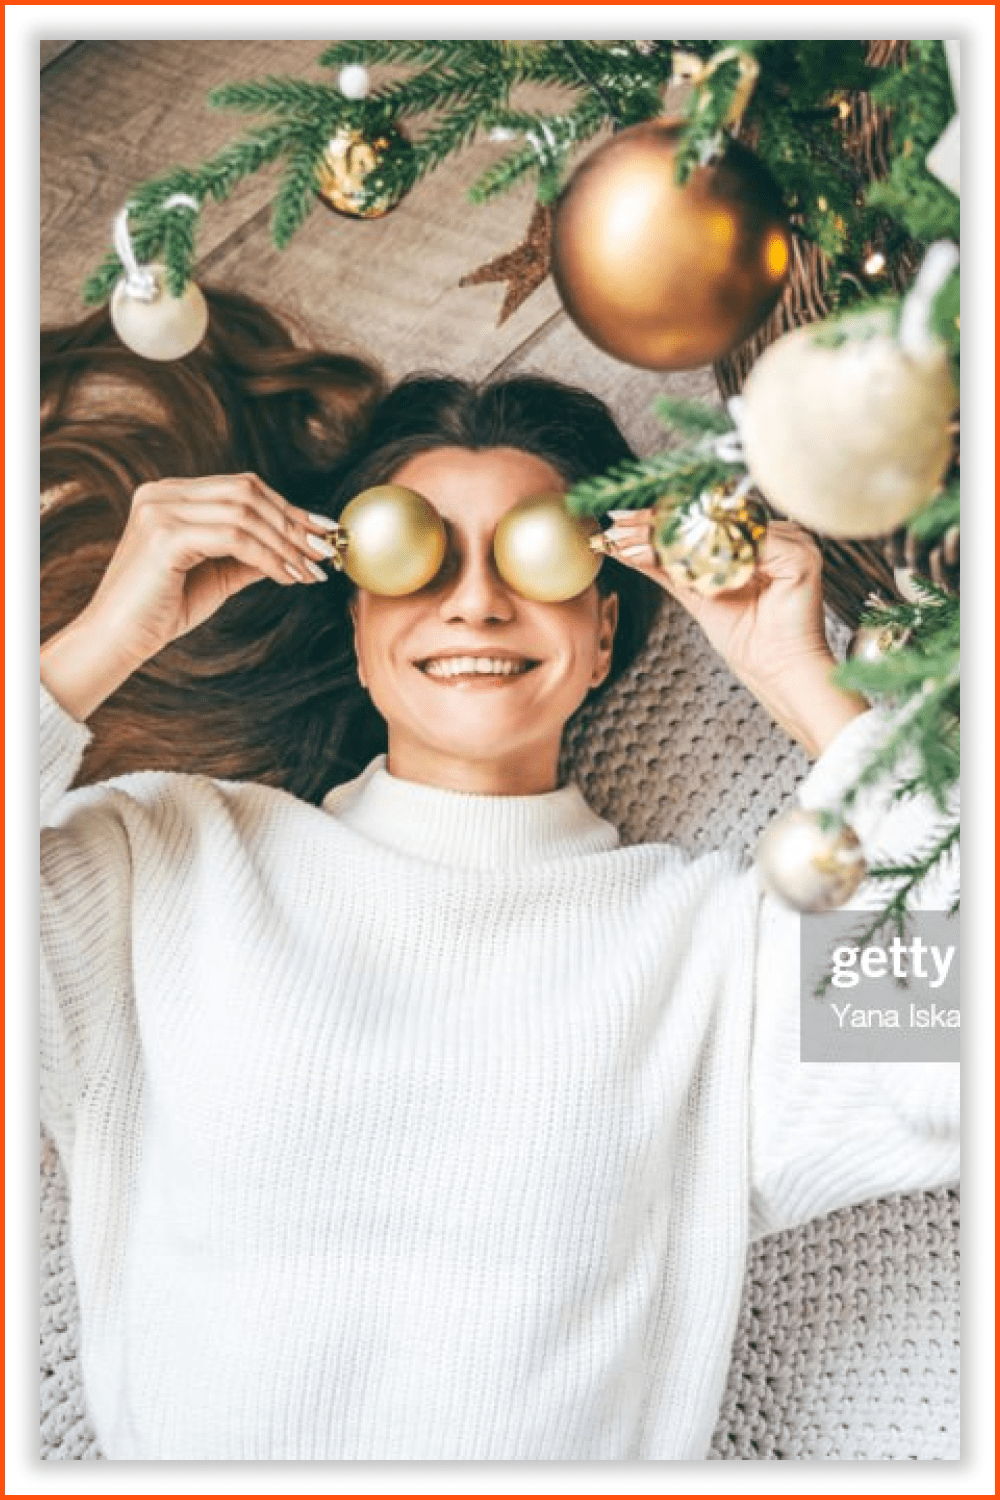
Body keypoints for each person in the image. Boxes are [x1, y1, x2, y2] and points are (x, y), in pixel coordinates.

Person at [40, 294, 959, 1461]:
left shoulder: (711, 947)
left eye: (537, 553)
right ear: (358, 619)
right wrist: (102, 643)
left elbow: (940, 1058)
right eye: (415, 552)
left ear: (605, 636)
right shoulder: (168, 859)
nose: (475, 599)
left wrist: (801, 681)